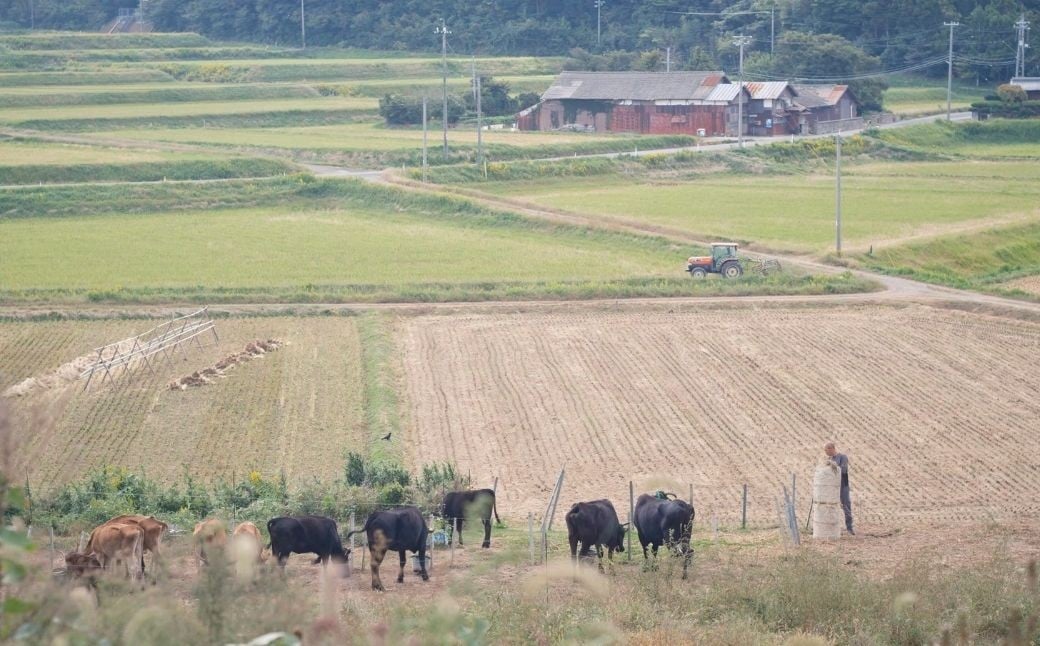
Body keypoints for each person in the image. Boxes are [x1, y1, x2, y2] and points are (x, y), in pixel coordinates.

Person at [824, 442, 854, 535]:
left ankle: (849, 529)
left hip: (843, 485)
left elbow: (843, 471)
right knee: (831, 506)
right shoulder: (829, 459)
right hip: (833, 486)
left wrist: (833, 466)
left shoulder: (842, 457)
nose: (825, 453)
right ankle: (832, 529)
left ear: (831, 449)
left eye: (826, 450)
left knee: (846, 506)